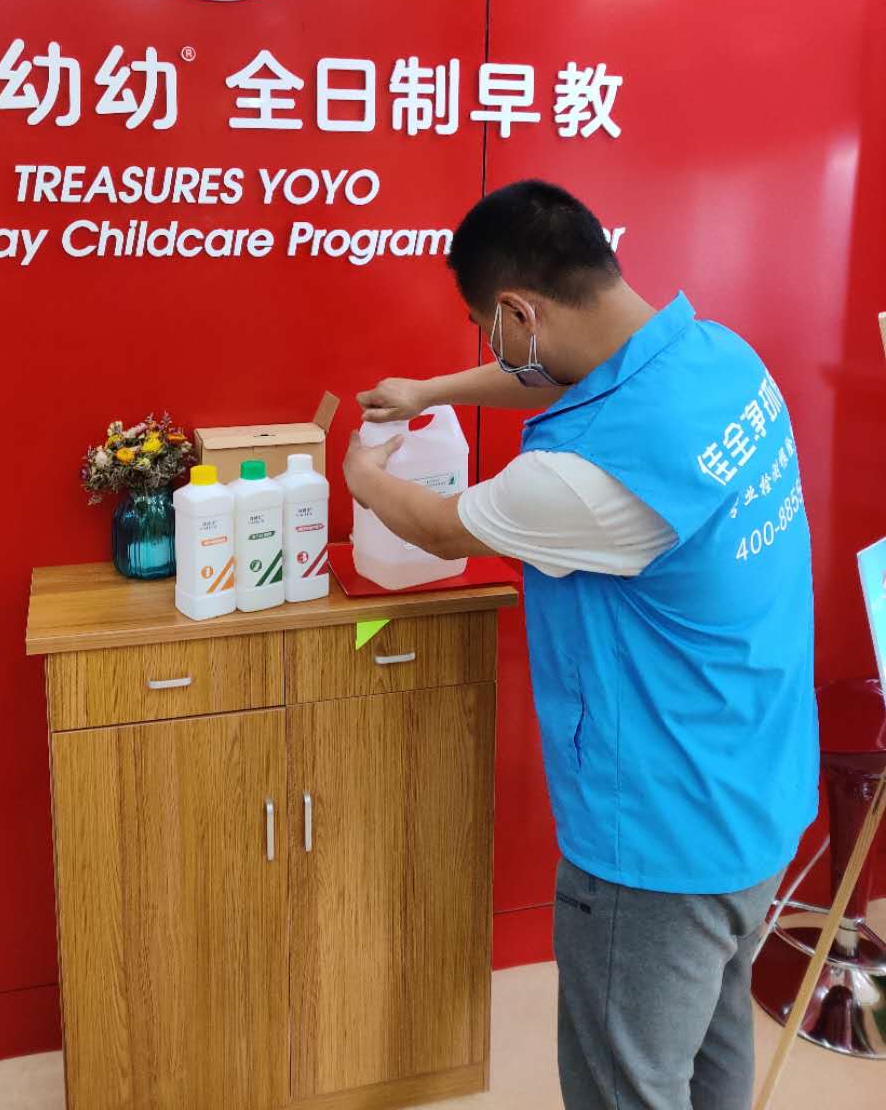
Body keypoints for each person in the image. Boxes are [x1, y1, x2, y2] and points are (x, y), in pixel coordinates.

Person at [344, 180, 818, 1110]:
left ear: (519, 312)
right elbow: (565, 372)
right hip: (757, 786)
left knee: (628, 1082)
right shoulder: (717, 357)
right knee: (711, 1038)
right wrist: (430, 392)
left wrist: (364, 475)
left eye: (488, 329)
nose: (493, 349)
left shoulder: (586, 480)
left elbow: (437, 526)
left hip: (659, 839)